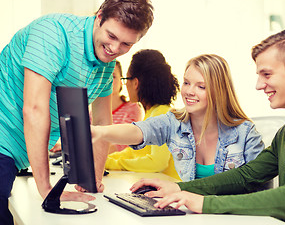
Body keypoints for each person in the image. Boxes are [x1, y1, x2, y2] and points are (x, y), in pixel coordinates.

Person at [0, 0, 153, 225]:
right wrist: (46, 188)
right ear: (99, 16)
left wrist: (93, 180)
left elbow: (102, 123)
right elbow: (34, 109)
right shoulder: (54, 33)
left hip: (12, 152)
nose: (114, 49)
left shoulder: (105, 65)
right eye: (111, 36)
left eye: (125, 44)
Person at [130, 29, 285, 225]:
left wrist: (206, 203)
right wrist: (179, 188)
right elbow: (246, 175)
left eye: (266, 74)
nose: (259, 85)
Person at [94, 54, 264, 182]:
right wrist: (98, 132)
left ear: (219, 91)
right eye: (186, 82)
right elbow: (138, 130)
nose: (189, 91)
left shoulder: (246, 134)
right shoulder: (174, 122)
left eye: (201, 86)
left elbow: (258, 192)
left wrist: (183, 192)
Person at [104, 49, 181, 180]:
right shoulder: (152, 112)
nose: (126, 84)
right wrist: (105, 160)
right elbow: (134, 152)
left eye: (126, 79)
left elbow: (157, 163)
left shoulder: (161, 114)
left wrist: (113, 163)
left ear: (135, 83)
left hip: (170, 190)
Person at [109, 60, 144, 153]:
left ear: (121, 81)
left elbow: (124, 144)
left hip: (117, 164)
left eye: (113, 76)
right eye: (104, 76)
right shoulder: (92, 113)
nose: (108, 81)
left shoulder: (132, 108)